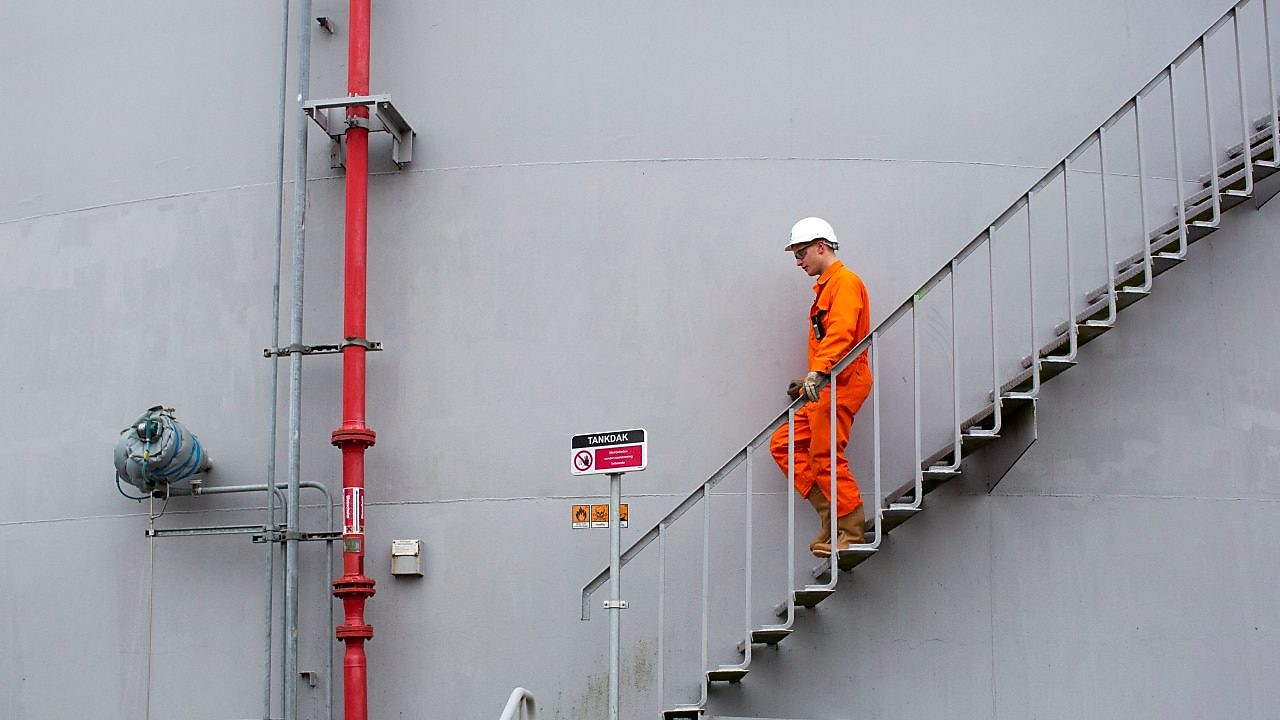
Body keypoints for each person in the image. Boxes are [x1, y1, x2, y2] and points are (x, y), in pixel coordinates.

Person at [769, 217, 874, 557]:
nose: (798, 262)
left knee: (826, 456)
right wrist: (810, 380)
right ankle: (832, 517)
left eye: (801, 254)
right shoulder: (827, 287)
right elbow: (827, 339)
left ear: (821, 246)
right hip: (826, 383)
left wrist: (819, 372)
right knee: (783, 444)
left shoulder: (844, 283)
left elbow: (842, 334)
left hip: (841, 383)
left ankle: (852, 530)